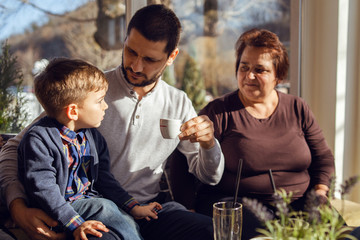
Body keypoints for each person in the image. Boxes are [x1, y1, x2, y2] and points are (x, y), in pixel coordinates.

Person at [0, 4, 224, 240]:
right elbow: (14, 147)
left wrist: (209, 144)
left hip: (148, 210)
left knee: (212, 231)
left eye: (149, 59)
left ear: (171, 57)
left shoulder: (178, 103)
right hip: (97, 211)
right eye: (130, 51)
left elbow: (211, 176)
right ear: (125, 40)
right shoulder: (89, 91)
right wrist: (18, 207)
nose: (136, 66)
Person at [192, 28, 335, 239]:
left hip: (299, 202)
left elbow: (323, 157)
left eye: (260, 69)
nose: (249, 76)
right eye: (244, 67)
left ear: (279, 75)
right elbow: (182, 157)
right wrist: (188, 208)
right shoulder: (219, 111)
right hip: (241, 205)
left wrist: (321, 192)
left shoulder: (297, 107)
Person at [18, 58, 162, 240]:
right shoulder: (39, 139)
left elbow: (104, 179)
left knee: (122, 218)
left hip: (90, 205)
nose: (105, 106)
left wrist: (133, 207)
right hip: (59, 211)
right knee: (105, 207)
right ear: (73, 111)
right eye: (100, 101)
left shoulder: (92, 137)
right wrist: (75, 223)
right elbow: (44, 189)